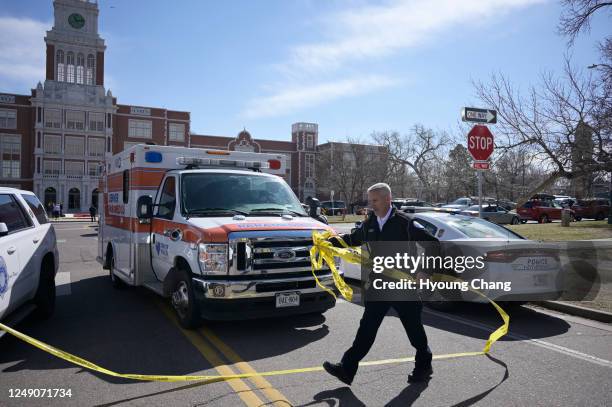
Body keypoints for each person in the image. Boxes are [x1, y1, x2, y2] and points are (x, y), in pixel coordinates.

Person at [323, 182, 436, 385]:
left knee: (414, 330)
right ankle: (347, 369)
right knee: (366, 328)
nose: (371, 204)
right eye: (370, 200)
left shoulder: (406, 223)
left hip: (403, 287)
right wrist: (327, 242)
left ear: (387, 199)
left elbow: (433, 245)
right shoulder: (369, 224)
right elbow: (352, 239)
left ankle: (424, 365)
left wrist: (424, 271)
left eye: (374, 200)